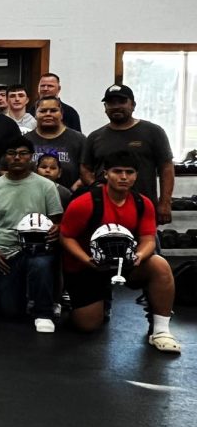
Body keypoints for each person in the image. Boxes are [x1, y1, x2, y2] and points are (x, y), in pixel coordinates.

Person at [58, 151, 180, 352]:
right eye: (117, 172)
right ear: (106, 174)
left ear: (136, 176)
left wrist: (139, 256)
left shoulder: (143, 203)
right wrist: (87, 259)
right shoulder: (85, 203)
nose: (123, 177)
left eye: (129, 172)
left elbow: (148, 239)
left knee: (159, 264)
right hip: (88, 265)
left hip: (125, 262)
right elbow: (66, 237)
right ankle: (96, 300)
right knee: (87, 325)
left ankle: (160, 330)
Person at [0, 137, 64, 333]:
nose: (17, 157)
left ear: (31, 157)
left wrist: (57, 228)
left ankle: (44, 312)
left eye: (23, 153)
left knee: (41, 265)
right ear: (5, 157)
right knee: (11, 311)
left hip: (38, 249)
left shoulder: (46, 186)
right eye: (11, 153)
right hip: (6, 253)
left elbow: (58, 220)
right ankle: (18, 296)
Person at [80, 84, 174, 224]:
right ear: (105, 107)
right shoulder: (95, 137)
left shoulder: (153, 132)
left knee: (147, 244)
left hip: (143, 208)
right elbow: (85, 168)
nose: (116, 106)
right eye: (111, 103)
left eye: (122, 101)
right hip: (104, 210)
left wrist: (165, 203)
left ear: (133, 105)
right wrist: (95, 186)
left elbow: (166, 167)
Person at [26, 96, 86, 190]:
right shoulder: (25, 140)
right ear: (35, 114)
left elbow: (88, 172)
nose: (48, 114)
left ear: (61, 114)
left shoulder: (79, 140)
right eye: (43, 111)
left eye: (53, 110)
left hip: (68, 199)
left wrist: (73, 191)